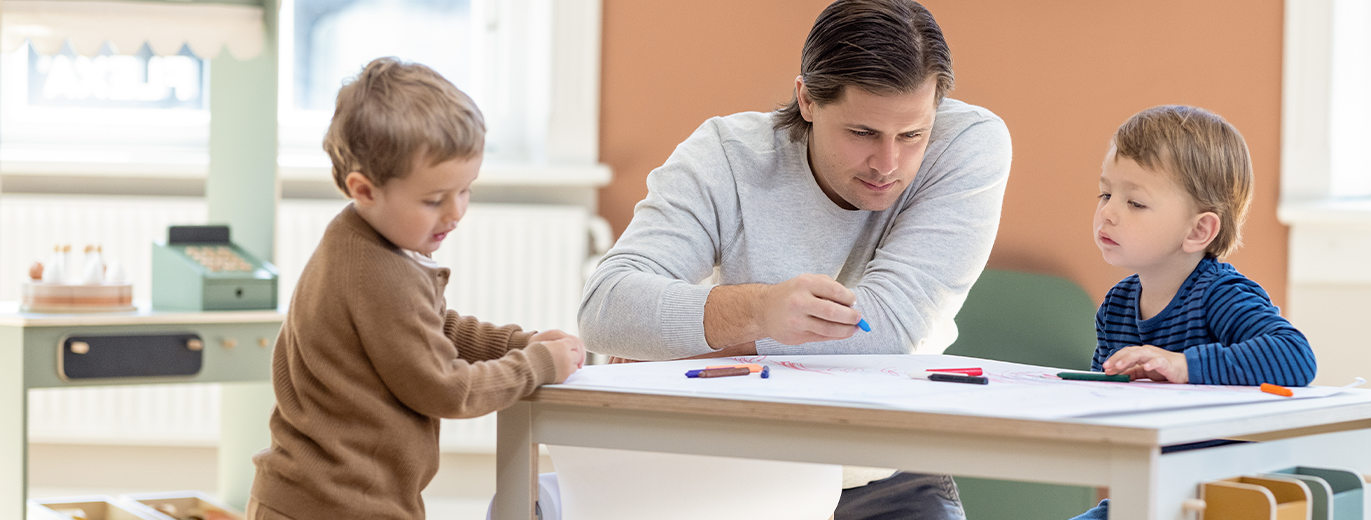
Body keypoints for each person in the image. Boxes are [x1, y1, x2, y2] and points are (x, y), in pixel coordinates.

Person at [577, 0, 1009, 517]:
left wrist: (692, 346)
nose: (889, 165)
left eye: (912, 135)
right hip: (738, 462)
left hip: (885, 466)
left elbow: (887, 330)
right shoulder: (725, 155)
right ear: (806, 99)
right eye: (863, 133)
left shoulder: (968, 143)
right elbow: (604, 309)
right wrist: (762, 309)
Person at [248, 57, 587, 520]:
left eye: (465, 190)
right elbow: (447, 389)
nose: (456, 213)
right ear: (364, 189)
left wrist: (512, 343)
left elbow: (430, 326)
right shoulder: (378, 273)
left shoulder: (358, 239)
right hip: (338, 506)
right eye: (433, 200)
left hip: (320, 499)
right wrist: (535, 364)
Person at [1070, 105, 1316, 520]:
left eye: (1135, 202)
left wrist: (1184, 366)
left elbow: (1295, 355)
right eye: (1105, 194)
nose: (1108, 212)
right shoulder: (1115, 306)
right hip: (1151, 495)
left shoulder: (1220, 293)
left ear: (1198, 231)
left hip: (1224, 501)